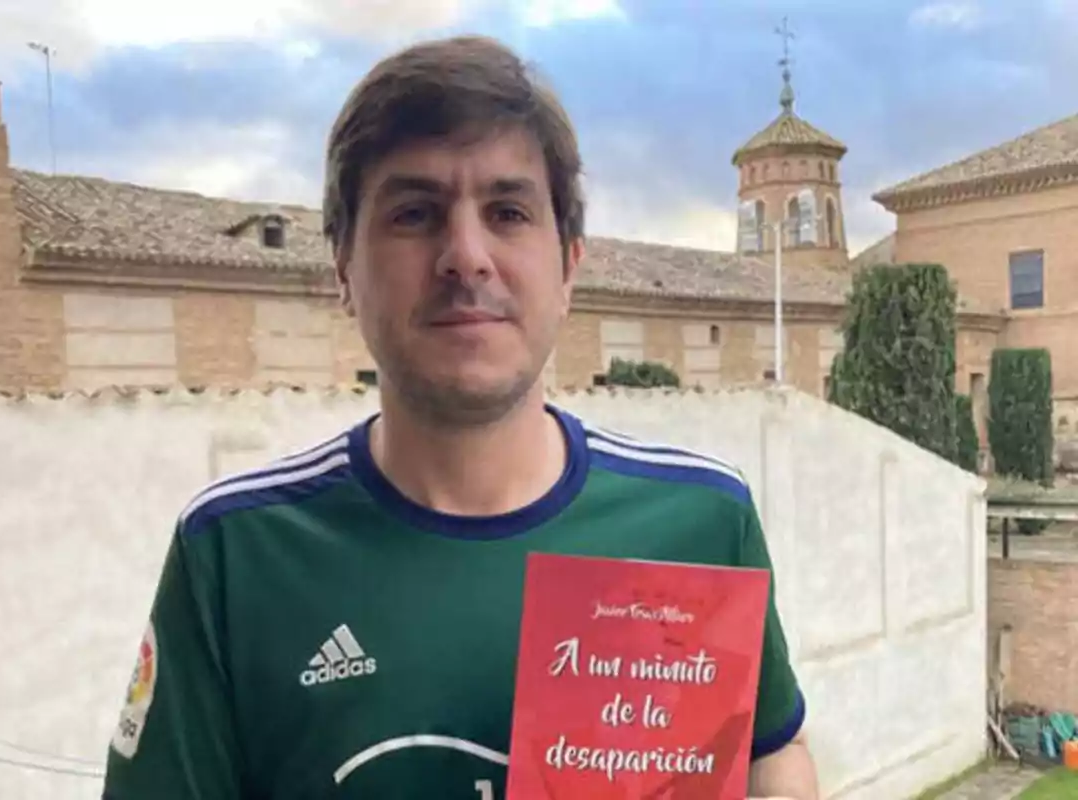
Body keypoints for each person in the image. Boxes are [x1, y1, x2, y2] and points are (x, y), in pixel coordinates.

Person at [100, 34, 819, 800]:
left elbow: (772, 752)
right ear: (343, 269)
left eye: (508, 211)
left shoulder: (702, 521)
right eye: (415, 214)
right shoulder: (234, 552)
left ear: (570, 265)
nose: (466, 256)